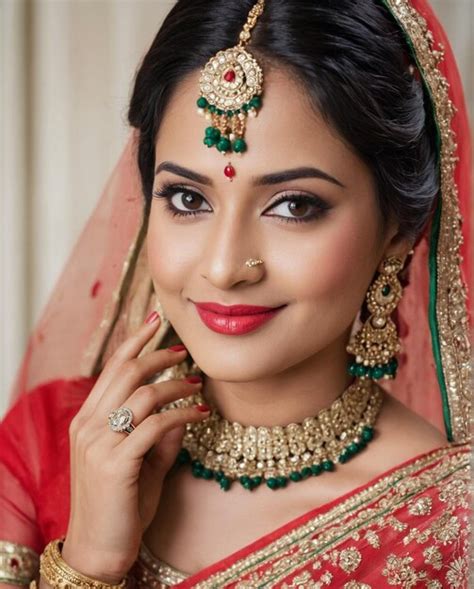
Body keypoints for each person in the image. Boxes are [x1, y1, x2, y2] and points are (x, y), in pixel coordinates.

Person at [0, 0, 471, 587]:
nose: (224, 268)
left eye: (295, 206)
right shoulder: (54, 445)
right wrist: (86, 562)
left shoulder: (448, 530)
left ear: (397, 232)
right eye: (188, 199)